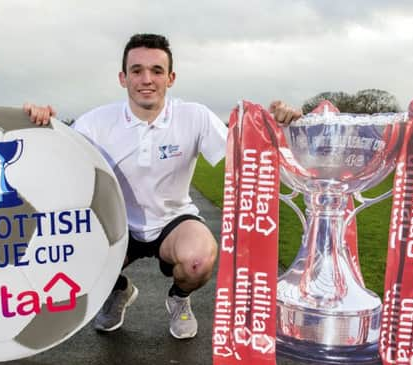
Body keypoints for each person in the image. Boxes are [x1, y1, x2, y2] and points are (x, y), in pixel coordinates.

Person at [24, 33, 301, 339]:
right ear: (122, 77)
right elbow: (55, 166)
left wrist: (281, 128)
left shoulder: (194, 116)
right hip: (116, 225)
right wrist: (39, 127)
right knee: (64, 254)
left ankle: (179, 298)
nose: (147, 79)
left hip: (173, 221)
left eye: (157, 71)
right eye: (137, 70)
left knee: (199, 260)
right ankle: (117, 290)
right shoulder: (94, 123)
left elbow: (248, 155)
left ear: (171, 78)